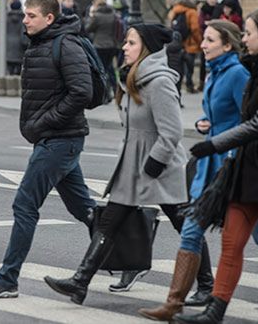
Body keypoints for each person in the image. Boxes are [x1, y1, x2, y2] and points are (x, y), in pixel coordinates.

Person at [140, 19, 258, 323]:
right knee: (191, 229)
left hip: (234, 166)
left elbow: (253, 119)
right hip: (212, 165)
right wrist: (207, 122)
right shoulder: (215, 73)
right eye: (204, 40)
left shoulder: (238, 74)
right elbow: (226, 114)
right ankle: (173, 304)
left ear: (227, 45)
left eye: (210, 40)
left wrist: (220, 141)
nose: (202, 45)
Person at [43, 23, 188, 305]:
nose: (124, 47)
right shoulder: (134, 78)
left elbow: (172, 132)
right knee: (108, 223)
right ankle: (80, 282)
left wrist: (153, 166)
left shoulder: (159, 82)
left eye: (131, 42)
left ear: (147, 49)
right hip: (132, 166)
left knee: (185, 225)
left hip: (158, 168)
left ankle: (206, 284)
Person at [0, 0, 97, 299]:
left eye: (31, 15)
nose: (24, 20)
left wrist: (45, 122)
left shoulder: (64, 44)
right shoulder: (42, 43)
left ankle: (7, 279)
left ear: (49, 18)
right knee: (86, 210)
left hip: (60, 140)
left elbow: (82, 91)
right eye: (25, 14)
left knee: (24, 204)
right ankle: (126, 258)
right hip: (54, 138)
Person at [169, 0, 202, 93]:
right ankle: (189, 85)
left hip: (178, 43)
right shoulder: (192, 11)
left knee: (179, 67)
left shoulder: (175, 10)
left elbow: (170, 24)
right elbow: (195, 29)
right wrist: (199, 42)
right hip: (189, 43)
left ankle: (177, 88)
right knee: (189, 66)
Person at [85, 0, 119, 97]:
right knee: (109, 69)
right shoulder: (113, 14)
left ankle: (104, 95)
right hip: (112, 45)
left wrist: (91, 16)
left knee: (101, 70)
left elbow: (88, 28)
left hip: (99, 46)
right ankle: (114, 90)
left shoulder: (97, 16)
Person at [197, 0, 217, 91]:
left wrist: (209, 22)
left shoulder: (218, 9)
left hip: (216, 39)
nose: (214, 0)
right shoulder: (204, 9)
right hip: (204, 38)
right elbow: (201, 23)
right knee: (203, 61)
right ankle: (201, 82)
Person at [5, 0, 28, 75]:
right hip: (19, 44)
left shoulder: (6, 18)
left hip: (8, 44)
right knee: (18, 68)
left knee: (9, 67)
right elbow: (23, 32)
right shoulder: (23, 18)